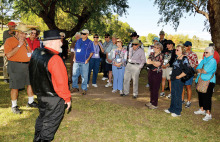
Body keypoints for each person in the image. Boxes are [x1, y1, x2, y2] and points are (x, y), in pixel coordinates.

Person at [29, 30, 71, 141]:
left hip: (40, 94)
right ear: (52, 42)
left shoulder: (36, 53)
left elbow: (32, 72)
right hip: (53, 98)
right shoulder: (55, 59)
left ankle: (37, 138)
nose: (61, 43)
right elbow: (61, 82)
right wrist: (67, 98)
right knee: (50, 124)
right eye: (59, 41)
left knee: (42, 118)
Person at [4, 24, 38, 114]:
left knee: (30, 83)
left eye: (25, 34)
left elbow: (28, 52)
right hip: (15, 65)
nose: (24, 36)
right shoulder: (9, 41)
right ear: (17, 33)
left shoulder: (25, 41)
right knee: (15, 86)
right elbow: (8, 55)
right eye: (22, 33)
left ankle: (30, 102)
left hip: (27, 65)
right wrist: (19, 45)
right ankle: (14, 106)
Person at [164, 44, 191, 117]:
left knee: (178, 95)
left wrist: (179, 76)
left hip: (179, 80)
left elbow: (187, 70)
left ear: (182, 51)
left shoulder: (184, 58)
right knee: (173, 94)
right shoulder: (177, 57)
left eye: (178, 50)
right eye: (176, 49)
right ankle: (172, 109)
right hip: (173, 78)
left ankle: (177, 111)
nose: (176, 50)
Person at [194, 47, 217, 121]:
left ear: (211, 53)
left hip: (209, 81)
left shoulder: (213, 61)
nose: (205, 54)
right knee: (200, 95)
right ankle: (202, 109)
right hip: (201, 80)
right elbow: (197, 68)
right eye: (204, 52)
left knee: (207, 97)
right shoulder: (204, 60)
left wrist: (201, 70)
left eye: (206, 52)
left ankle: (208, 114)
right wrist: (200, 70)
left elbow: (205, 71)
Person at [71, 29, 94, 95]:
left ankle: (84, 89)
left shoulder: (90, 42)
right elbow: (75, 50)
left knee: (84, 76)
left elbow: (92, 52)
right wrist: (74, 57)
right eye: (81, 33)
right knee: (74, 74)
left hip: (84, 62)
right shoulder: (78, 41)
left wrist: (88, 59)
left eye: (84, 34)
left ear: (87, 34)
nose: (82, 35)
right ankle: (75, 87)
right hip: (76, 61)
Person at [145, 42, 164, 109]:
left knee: (155, 88)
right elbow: (147, 61)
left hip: (157, 73)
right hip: (150, 72)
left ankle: (155, 104)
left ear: (160, 49)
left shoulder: (161, 55)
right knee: (151, 88)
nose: (155, 48)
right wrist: (154, 62)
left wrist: (152, 62)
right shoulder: (151, 53)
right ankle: (151, 101)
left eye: (157, 47)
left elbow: (158, 64)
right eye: (154, 47)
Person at [182, 41, 198, 108]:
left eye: (186, 46)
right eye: (184, 46)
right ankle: (182, 100)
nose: (185, 47)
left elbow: (196, 65)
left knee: (188, 86)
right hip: (182, 72)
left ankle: (188, 101)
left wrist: (193, 72)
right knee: (182, 86)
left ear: (190, 46)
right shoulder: (183, 54)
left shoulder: (193, 54)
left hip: (189, 73)